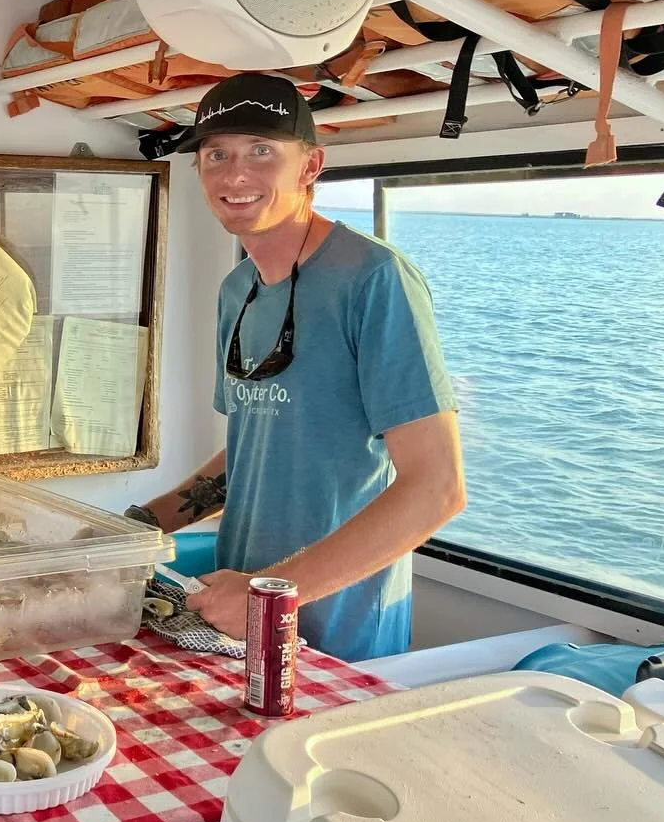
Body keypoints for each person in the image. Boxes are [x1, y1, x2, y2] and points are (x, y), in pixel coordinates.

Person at [126, 74, 466, 663]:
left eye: (262, 152)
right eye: (217, 155)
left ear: (310, 167)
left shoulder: (375, 279)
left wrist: (268, 596)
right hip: (235, 614)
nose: (235, 175)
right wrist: (133, 529)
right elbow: (253, 450)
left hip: (341, 626)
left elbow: (437, 489)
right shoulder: (237, 290)